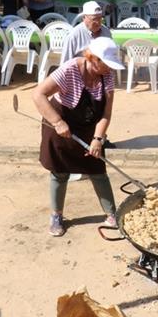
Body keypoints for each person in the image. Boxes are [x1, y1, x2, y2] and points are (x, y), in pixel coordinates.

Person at [32, 36, 124, 237]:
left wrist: (98, 139)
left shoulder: (107, 75)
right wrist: (57, 122)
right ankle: (56, 215)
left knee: (97, 168)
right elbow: (38, 94)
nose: (109, 69)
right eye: (106, 64)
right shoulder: (70, 69)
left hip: (89, 125)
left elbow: (106, 114)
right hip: (60, 122)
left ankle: (111, 214)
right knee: (60, 172)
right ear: (93, 58)